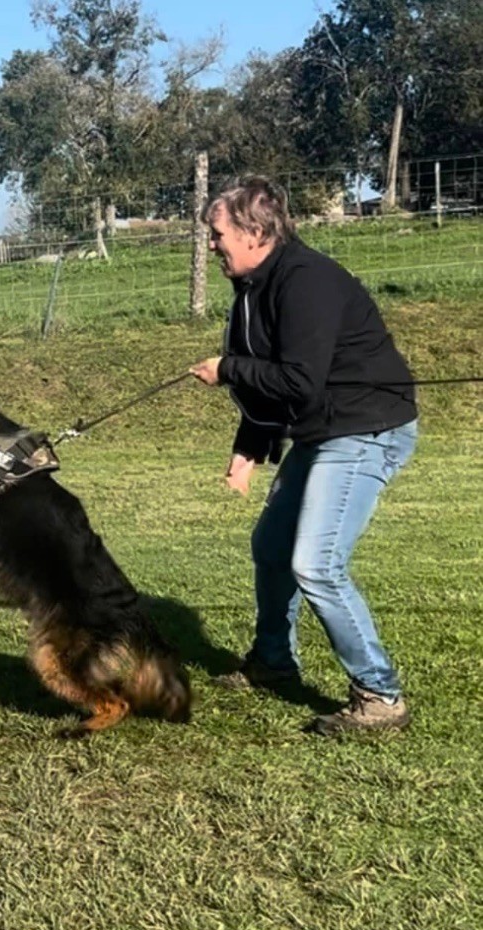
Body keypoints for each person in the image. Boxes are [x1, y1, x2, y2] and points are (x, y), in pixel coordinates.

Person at [190, 176, 418, 735]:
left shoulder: (305, 281)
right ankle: (274, 661)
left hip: (367, 428)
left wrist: (226, 370)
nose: (211, 245)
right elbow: (275, 381)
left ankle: (380, 695)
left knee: (315, 564)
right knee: (270, 546)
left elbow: (298, 381)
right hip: (322, 431)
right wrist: (249, 448)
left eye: (217, 234)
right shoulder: (256, 287)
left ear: (254, 231)